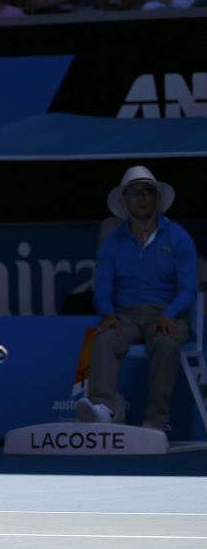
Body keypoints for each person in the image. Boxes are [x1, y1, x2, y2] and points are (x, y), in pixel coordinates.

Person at [75, 166, 198, 432]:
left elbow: (189, 288)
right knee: (104, 337)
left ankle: (156, 421)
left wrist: (170, 314)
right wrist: (108, 314)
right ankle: (103, 410)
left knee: (166, 342)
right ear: (124, 200)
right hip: (126, 316)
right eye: (134, 192)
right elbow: (103, 289)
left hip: (167, 314)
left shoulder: (178, 237)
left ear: (157, 198)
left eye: (147, 192)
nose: (141, 198)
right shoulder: (113, 241)